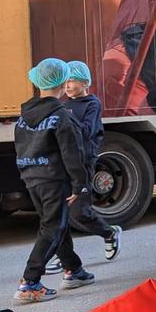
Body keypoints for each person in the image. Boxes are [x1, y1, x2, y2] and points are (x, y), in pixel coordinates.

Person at [14, 58, 94, 304]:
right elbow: (72, 153)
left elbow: (20, 148)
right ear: (62, 84)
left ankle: (73, 269)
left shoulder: (24, 115)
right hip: (54, 180)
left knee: (57, 224)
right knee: (53, 227)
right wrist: (79, 183)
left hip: (32, 179)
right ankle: (30, 282)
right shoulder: (61, 116)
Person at [57, 61, 121, 264]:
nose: (67, 85)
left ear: (85, 83)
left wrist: (65, 119)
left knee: (79, 211)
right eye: (65, 81)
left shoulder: (92, 104)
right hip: (63, 162)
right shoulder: (63, 105)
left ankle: (109, 233)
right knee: (59, 212)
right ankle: (64, 255)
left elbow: (87, 131)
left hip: (83, 162)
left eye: (72, 81)